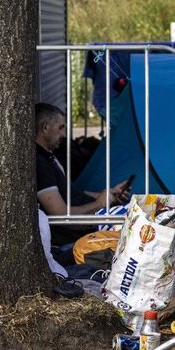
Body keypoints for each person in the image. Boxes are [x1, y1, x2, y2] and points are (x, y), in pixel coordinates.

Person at [35, 103, 131, 246]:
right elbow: (60, 215)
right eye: (61, 127)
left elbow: (70, 193)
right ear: (45, 127)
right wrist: (99, 204)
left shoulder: (49, 155)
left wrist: (108, 195)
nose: (64, 134)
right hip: (78, 235)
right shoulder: (39, 162)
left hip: (89, 224)